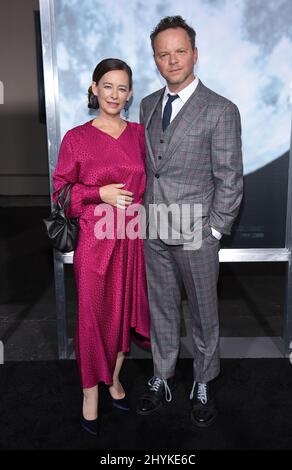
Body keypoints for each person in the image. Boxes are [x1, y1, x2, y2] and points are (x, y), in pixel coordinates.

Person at [136, 16, 243, 427]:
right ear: (155, 60)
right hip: (153, 228)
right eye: (163, 54)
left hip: (198, 233)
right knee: (161, 310)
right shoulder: (147, 105)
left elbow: (229, 178)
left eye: (180, 51)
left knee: (203, 313)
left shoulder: (220, 109)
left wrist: (214, 230)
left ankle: (203, 380)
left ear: (195, 54)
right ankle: (162, 377)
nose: (172, 59)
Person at [53, 58, 150, 436]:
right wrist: (99, 193)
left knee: (123, 312)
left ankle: (113, 378)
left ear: (129, 94)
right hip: (95, 242)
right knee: (93, 316)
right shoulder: (76, 138)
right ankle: (90, 392)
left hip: (133, 241)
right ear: (94, 89)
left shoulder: (140, 134)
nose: (115, 94)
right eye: (107, 85)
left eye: (123, 88)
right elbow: (60, 193)